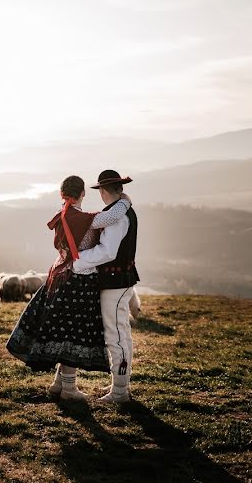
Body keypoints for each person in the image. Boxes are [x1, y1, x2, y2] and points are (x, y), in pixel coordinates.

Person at [6, 175, 131, 400]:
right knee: (70, 334)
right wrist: (125, 201)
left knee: (61, 329)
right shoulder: (83, 218)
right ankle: (69, 389)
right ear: (83, 194)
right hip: (77, 280)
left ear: (62, 194)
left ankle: (58, 384)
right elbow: (111, 216)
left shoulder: (62, 214)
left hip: (58, 274)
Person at [72, 169, 139, 404]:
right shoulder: (120, 211)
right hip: (119, 280)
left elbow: (108, 252)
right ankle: (120, 385)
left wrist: (76, 260)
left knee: (116, 335)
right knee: (120, 333)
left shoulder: (117, 216)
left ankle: (120, 392)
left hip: (114, 283)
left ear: (102, 191)